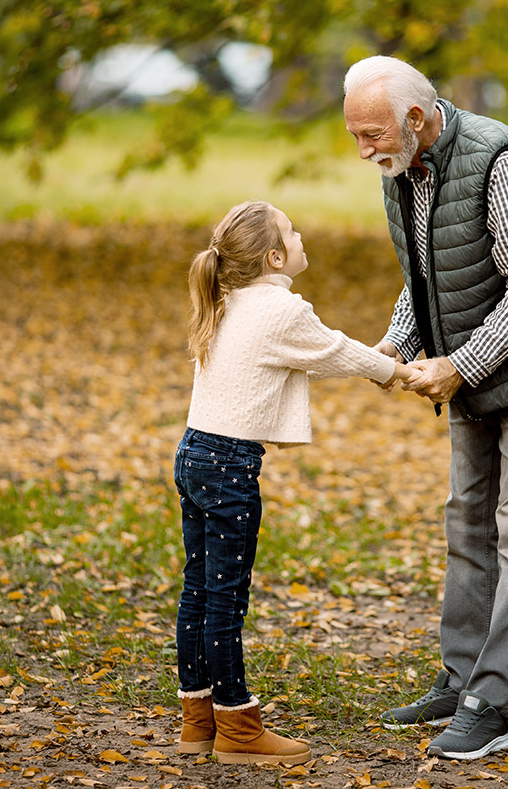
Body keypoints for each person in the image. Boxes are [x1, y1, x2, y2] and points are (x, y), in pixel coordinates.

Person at [342, 56, 508, 760]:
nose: (364, 151)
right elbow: (424, 276)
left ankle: (492, 705)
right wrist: (397, 341)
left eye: (372, 135)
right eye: (355, 137)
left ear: (417, 120)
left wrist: (460, 365)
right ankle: (460, 679)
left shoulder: (498, 161)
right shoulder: (404, 170)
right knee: (465, 524)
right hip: (472, 376)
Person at [173, 200, 421, 765]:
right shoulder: (281, 310)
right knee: (226, 602)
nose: (302, 234)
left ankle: (198, 720)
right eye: (292, 231)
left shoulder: (227, 299)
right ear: (275, 256)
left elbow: (321, 354)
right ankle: (238, 727)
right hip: (229, 466)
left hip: (193, 454)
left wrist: (379, 361)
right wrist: (399, 371)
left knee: (198, 590)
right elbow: (333, 351)